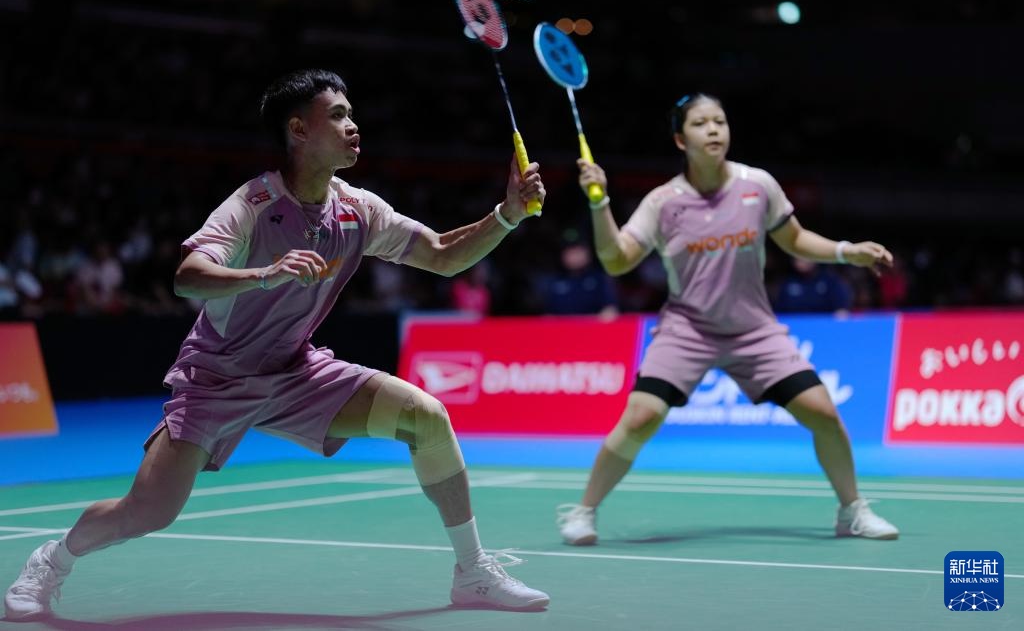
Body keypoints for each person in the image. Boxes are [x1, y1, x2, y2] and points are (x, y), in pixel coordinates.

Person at [5, 69, 550, 621]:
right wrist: (265, 274)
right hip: (216, 378)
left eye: (351, 113)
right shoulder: (253, 203)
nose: (353, 125)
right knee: (147, 511)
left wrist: (507, 214)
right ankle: (51, 560)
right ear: (298, 130)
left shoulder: (358, 209)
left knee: (425, 416)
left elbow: (442, 254)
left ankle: (473, 572)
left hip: (295, 371)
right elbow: (188, 276)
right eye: (337, 115)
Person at [556, 93, 899, 546]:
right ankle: (583, 512)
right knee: (640, 417)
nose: (714, 129)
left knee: (823, 413)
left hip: (754, 329)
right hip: (687, 330)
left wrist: (845, 251)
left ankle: (852, 510)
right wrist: (599, 204)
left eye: (719, 121)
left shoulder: (758, 185)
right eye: (700, 123)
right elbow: (617, 260)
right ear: (681, 140)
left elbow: (794, 239)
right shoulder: (663, 202)